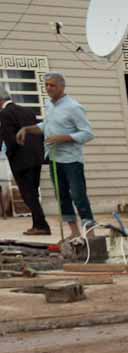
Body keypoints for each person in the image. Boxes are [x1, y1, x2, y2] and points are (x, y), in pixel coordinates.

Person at [24, 73, 93, 244]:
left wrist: (64, 138)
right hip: (54, 158)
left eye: (52, 85)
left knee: (78, 195)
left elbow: (87, 133)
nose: (48, 88)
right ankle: (74, 232)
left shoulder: (74, 107)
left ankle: (90, 234)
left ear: (62, 87)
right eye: (46, 85)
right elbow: (46, 125)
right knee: (62, 196)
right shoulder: (49, 105)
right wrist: (27, 129)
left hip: (71, 160)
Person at [0, 87, 49, 236]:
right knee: (32, 192)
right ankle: (37, 225)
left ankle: (41, 225)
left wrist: (10, 153)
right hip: (36, 157)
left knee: (28, 194)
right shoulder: (27, 111)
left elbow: (9, 138)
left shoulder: (4, 114)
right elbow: (37, 132)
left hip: (21, 159)